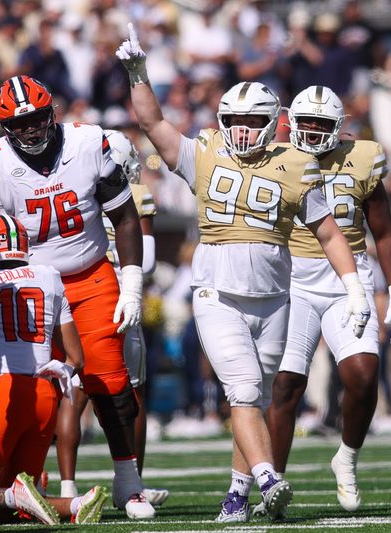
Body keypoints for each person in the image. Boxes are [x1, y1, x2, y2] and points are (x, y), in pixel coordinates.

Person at [117, 25, 370, 522]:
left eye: (253, 120)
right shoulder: (206, 151)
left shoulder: (297, 162)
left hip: (275, 296)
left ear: (274, 120)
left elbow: (329, 232)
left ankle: (236, 493)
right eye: (233, 119)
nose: (242, 129)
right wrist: (139, 74)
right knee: (244, 390)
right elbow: (155, 124)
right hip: (218, 292)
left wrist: (356, 288)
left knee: (254, 394)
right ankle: (268, 476)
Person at [0, 75, 153, 519]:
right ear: (3, 127)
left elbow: (125, 218)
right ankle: (13, 488)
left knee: (111, 382)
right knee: (29, 391)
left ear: (51, 113)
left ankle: (129, 482)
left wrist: (130, 282)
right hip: (29, 284)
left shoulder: (88, 143)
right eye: (19, 123)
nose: (31, 129)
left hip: (89, 276)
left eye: (36, 118)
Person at [262, 86, 391, 514]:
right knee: (287, 384)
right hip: (292, 277)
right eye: (304, 121)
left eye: (320, 124)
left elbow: (383, 230)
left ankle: (346, 457)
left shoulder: (362, 157)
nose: (310, 130)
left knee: (363, 375)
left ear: (338, 128)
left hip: (350, 279)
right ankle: (276, 485)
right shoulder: (273, 156)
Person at [0, 214, 107, 525]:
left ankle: (13, 494)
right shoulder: (49, 276)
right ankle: (76, 505)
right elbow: (76, 359)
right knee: (14, 511)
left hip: (4, 394)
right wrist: (62, 370)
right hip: (45, 396)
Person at [56, 129, 168, 505]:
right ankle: (132, 482)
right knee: (127, 391)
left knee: (73, 391)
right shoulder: (135, 193)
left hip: (73, 293)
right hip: (116, 296)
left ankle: (66, 486)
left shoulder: (69, 185)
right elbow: (146, 260)